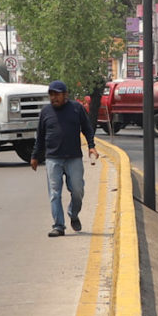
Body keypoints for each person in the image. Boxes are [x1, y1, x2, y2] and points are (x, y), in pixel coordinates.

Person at [27, 79, 98, 236]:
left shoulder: (76, 109)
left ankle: (73, 213)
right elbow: (40, 136)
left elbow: (87, 128)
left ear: (65, 95)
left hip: (74, 157)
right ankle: (58, 226)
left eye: (57, 94)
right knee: (55, 193)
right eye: (51, 95)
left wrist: (91, 146)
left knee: (78, 190)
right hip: (53, 158)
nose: (54, 98)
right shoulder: (45, 112)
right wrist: (35, 156)